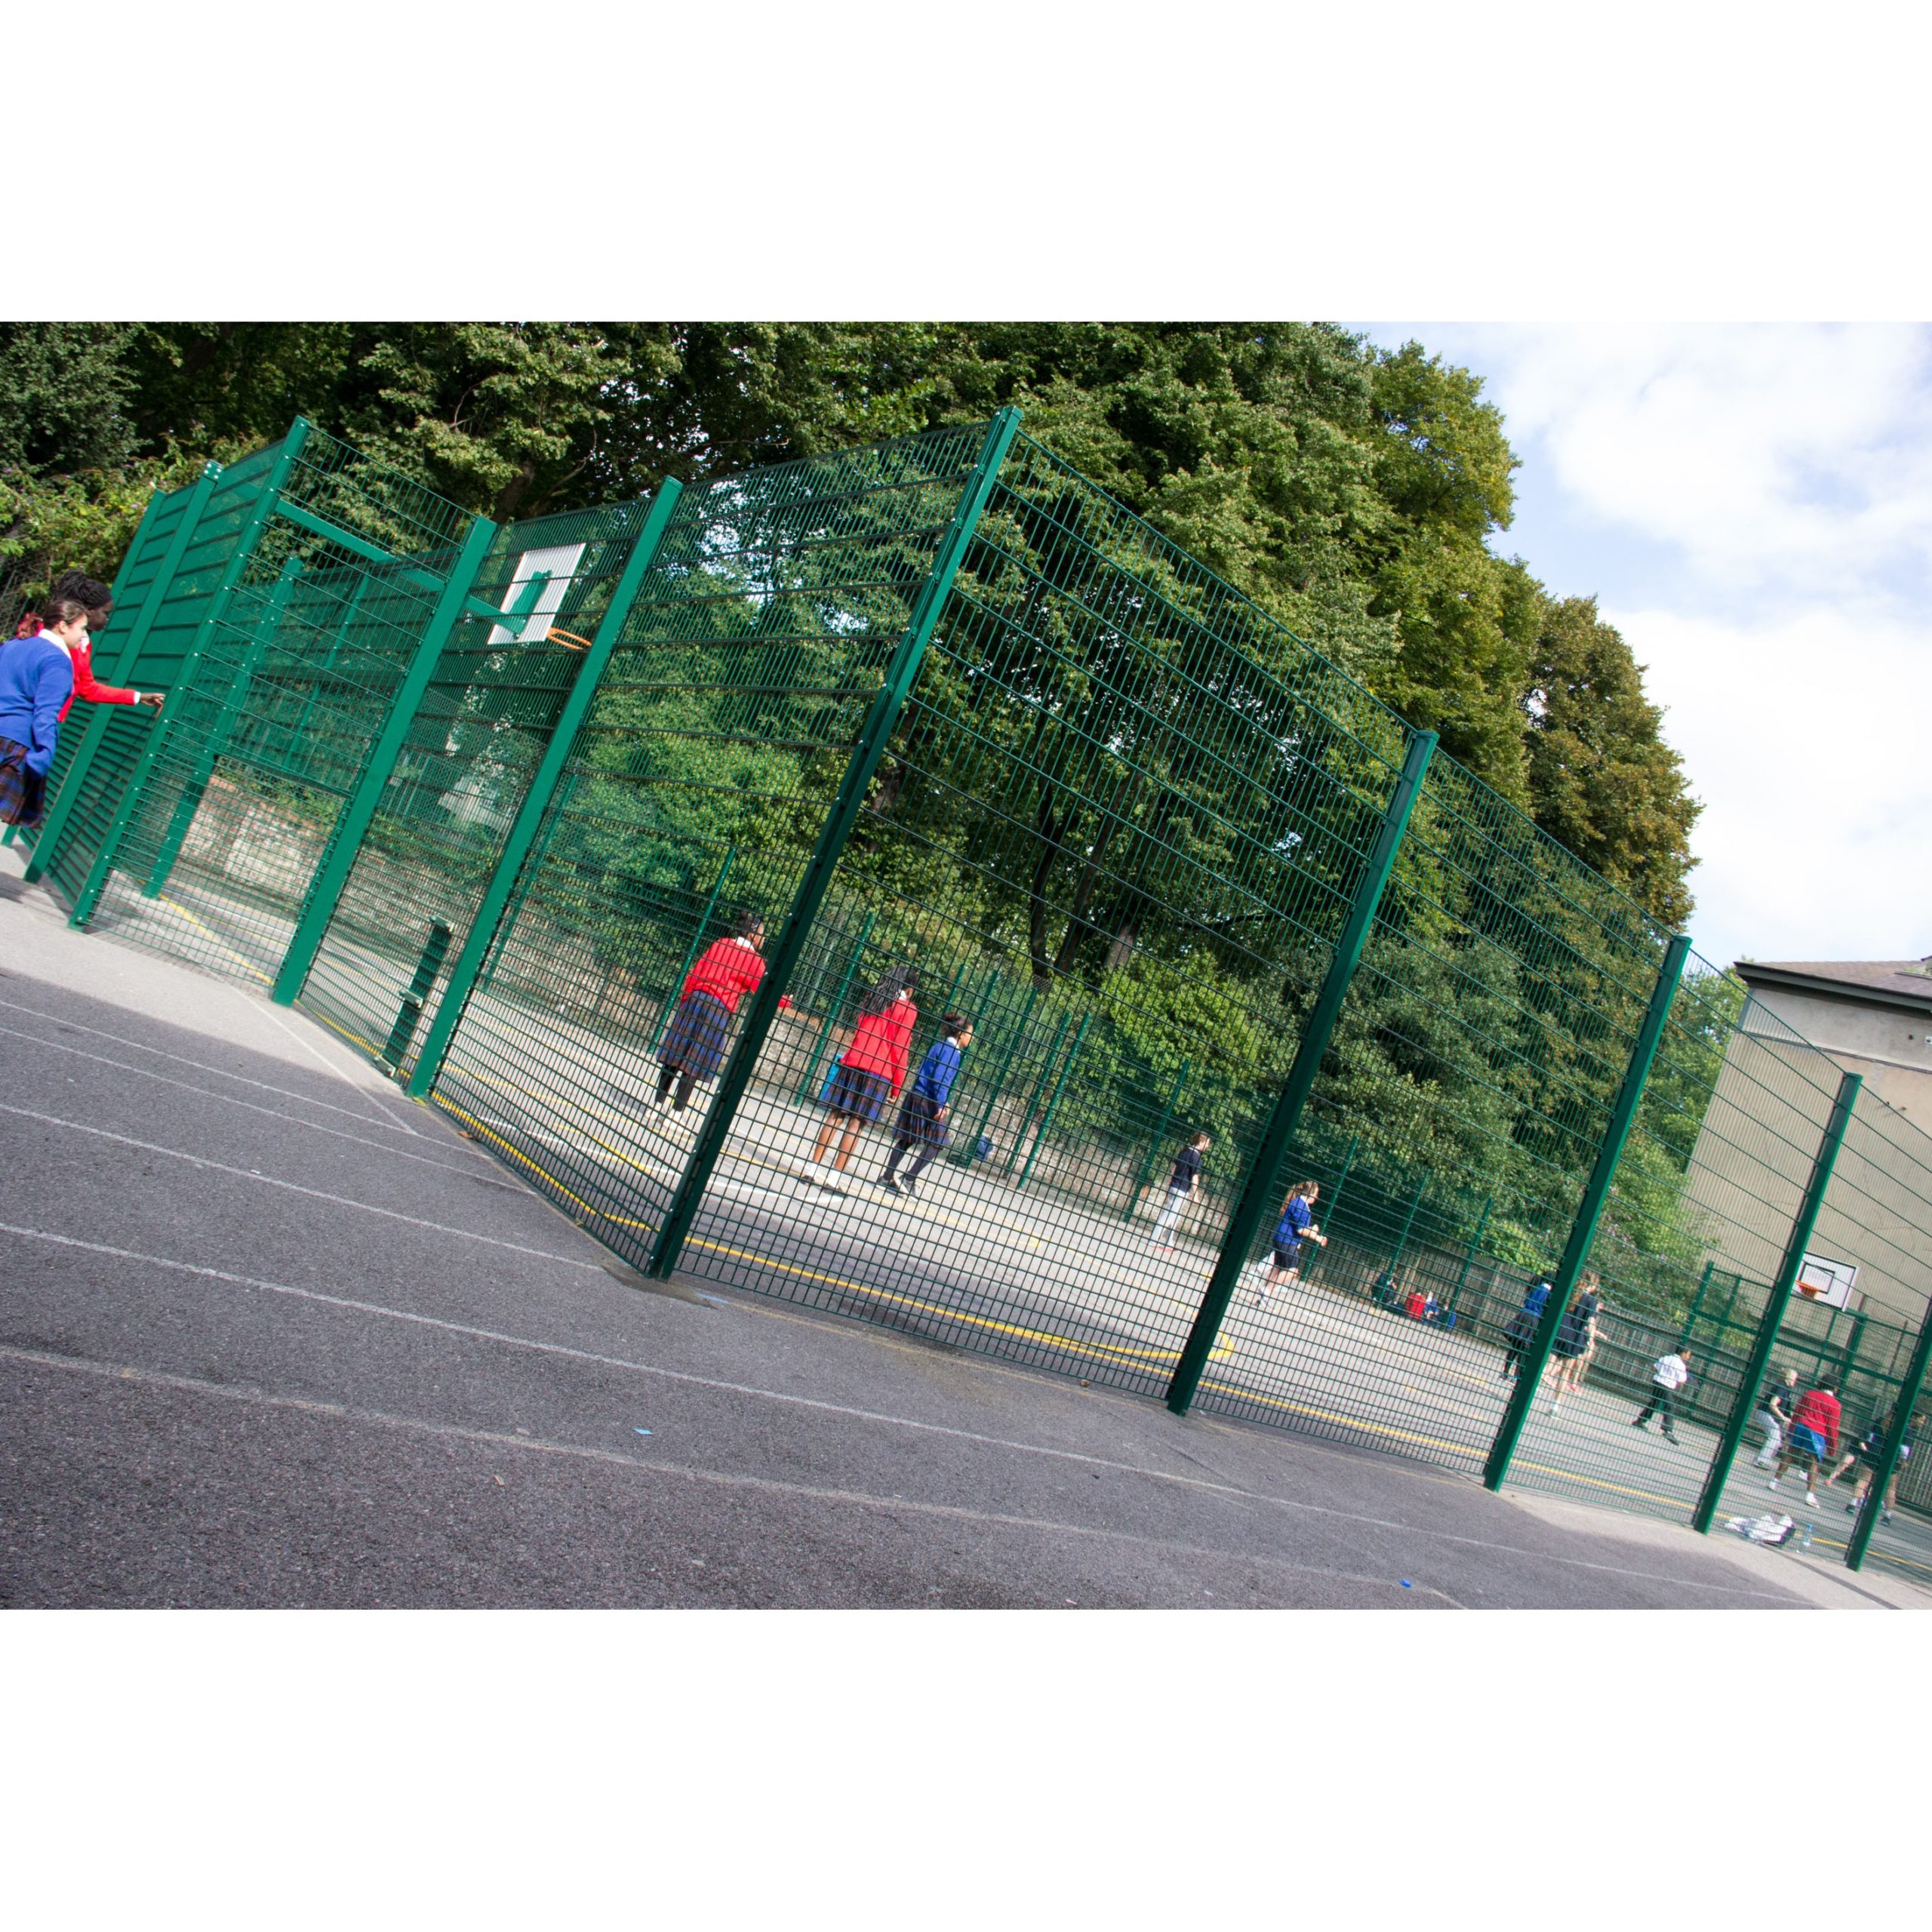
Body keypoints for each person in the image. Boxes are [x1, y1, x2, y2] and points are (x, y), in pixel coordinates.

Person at [808, 964, 918, 1191]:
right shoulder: (908, 1010)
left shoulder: (873, 996)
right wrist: (897, 1087)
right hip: (879, 1070)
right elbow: (900, 1049)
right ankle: (834, 1178)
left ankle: (811, 1168)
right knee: (856, 1125)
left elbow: (860, 1024)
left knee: (835, 1115)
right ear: (909, 989)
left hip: (854, 1059)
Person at [654, 913, 766, 1112]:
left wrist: (686, 998)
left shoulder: (720, 944)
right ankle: (676, 1113)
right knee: (695, 1061)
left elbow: (697, 970)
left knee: (675, 1053)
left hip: (695, 1000)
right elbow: (763, 988)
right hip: (718, 1010)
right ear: (752, 935)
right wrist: (786, 1001)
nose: (763, 939)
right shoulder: (754, 960)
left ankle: (656, 1105)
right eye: (762, 934)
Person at [0, 595, 82, 828]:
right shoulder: (57, 661)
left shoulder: (12, 646)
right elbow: (45, 714)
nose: (84, 636)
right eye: (82, 628)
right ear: (63, 625)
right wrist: (44, 755)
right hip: (16, 745)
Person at [878, 1011, 972, 1198]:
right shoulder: (952, 1052)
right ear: (961, 1034)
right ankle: (909, 1179)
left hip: (917, 1095)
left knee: (907, 1139)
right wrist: (942, 1103)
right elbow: (940, 1079)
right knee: (938, 1142)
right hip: (929, 1100)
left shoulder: (939, 1046)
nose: (972, 1037)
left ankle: (887, 1177)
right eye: (970, 1033)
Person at [44, 571, 163, 716]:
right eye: (105, 613)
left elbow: (87, 688)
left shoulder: (83, 643)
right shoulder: (58, 640)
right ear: (88, 611)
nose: (107, 619)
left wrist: (137, 696)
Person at [1770, 1375, 1841, 1509]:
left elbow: (1798, 1412)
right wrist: (1833, 1447)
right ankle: (1809, 1495)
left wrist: (1791, 1431)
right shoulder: (1835, 1404)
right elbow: (1832, 1427)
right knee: (1814, 1462)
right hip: (1817, 1432)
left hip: (1801, 1426)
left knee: (1790, 1454)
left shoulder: (1809, 1394)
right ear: (1835, 1389)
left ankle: (1774, 1481)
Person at [1255, 1180, 1325, 1304]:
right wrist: (1315, 1232)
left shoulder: (1298, 1202)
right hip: (1286, 1240)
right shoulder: (1302, 1206)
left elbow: (1299, 1227)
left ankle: (1263, 1298)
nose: (1316, 1197)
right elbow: (1301, 1230)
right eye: (1316, 1194)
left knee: (1278, 1267)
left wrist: (1316, 1235)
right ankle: (1266, 1290)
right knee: (1292, 1271)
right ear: (1311, 1194)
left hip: (1281, 1238)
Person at [1847, 1411, 1918, 1524]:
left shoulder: (1881, 1421)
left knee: (1864, 1479)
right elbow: (1904, 1450)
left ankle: (1853, 1504)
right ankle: (1887, 1516)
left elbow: (1870, 1435)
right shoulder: (1906, 1429)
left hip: (1874, 1452)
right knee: (1890, 1487)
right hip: (1892, 1458)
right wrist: (1903, 1461)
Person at [1546, 1273, 1602, 1411]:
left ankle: (1532, 1389)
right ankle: (1555, 1406)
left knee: (1547, 1365)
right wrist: (1590, 1339)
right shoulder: (1591, 1301)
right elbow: (1590, 1322)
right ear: (1593, 1286)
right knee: (1565, 1372)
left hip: (1560, 1330)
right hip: (1574, 1337)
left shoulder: (1571, 1293)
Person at [1150, 1131, 1211, 1249]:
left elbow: (1175, 1168)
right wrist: (1196, 1195)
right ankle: (1154, 1240)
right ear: (1202, 1141)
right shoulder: (1196, 1157)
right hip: (1182, 1190)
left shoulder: (1184, 1152)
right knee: (1169, 1215)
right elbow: (1194, 1176)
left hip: (1174, 1186)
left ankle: (1168, 1242)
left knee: (1175, 1215)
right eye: (1207, 1143)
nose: (1208, 1146)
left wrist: (1170, 1182)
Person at [1631, 1348, 1694, 1444]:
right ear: (1683, 1353)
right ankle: (1667, 1430)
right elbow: (1682, 1380)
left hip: (1657, 1382)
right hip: (1666, 1386)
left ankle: (1640, 1421)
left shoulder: (1666, 1358)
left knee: (1654, 1403)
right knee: (1669, 1406)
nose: (1688, 1357)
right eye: (1688, 1354)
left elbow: (1655, 1368)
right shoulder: (1680, 1365)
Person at [1500, 1278, 1552, 1380]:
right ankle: (1516, 1376)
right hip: (1534, 1319)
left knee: (1515, 1345)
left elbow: (1526, 1300)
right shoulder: (1549, 1293)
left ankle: (1505, 1371)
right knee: (1524, 1348)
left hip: (1524, 1314)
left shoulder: (1537, 1287)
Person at [1752, 1365, 1799, 1469]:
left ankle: (1766, 1460)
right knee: (1774, 1434)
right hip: (1764, 1413)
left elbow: (1788, 1411)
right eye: (1795, 1378)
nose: (1796, 1381)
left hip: (1771, 1416)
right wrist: (1783, 1417)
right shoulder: (1781, 1387)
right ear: (1788, 1377)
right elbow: (1773, 1404)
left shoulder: (1787, 1391)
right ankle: (1760, 1460)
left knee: (1778, 1442)